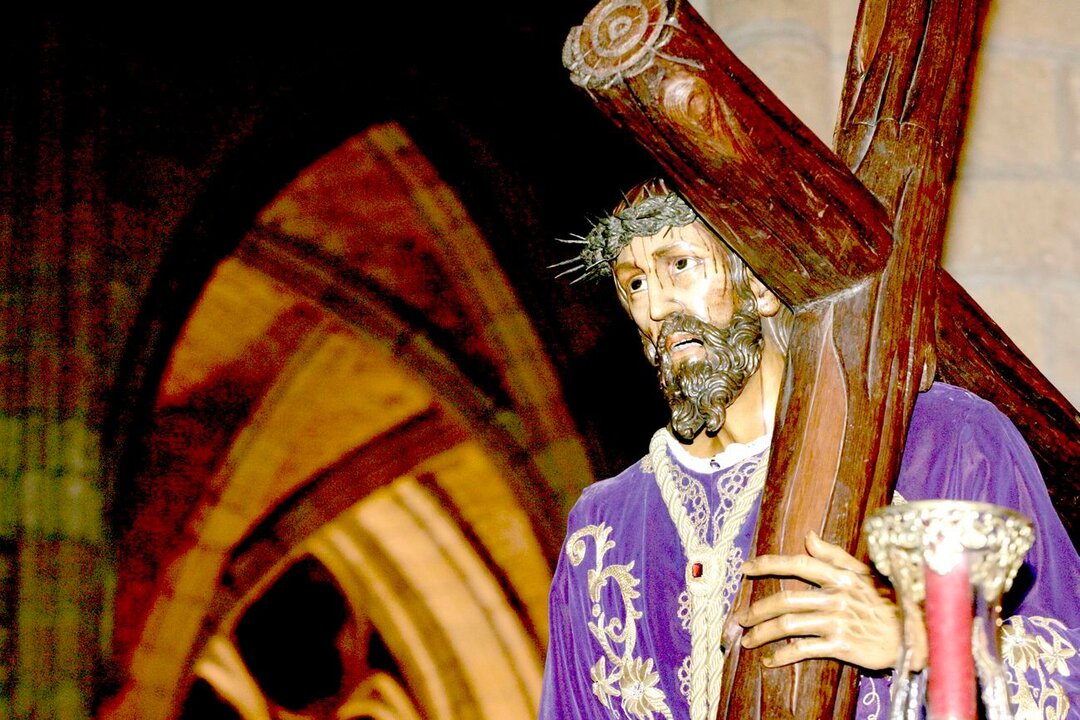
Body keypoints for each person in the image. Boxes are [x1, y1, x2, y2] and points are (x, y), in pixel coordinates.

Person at [539, 179, 1079, 720]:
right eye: (633, 285)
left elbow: (1071, 671)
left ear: (760, 282)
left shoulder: (944, 442)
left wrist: (920, 640)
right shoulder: (602, 530)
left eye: (679, 265)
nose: (655, 307)